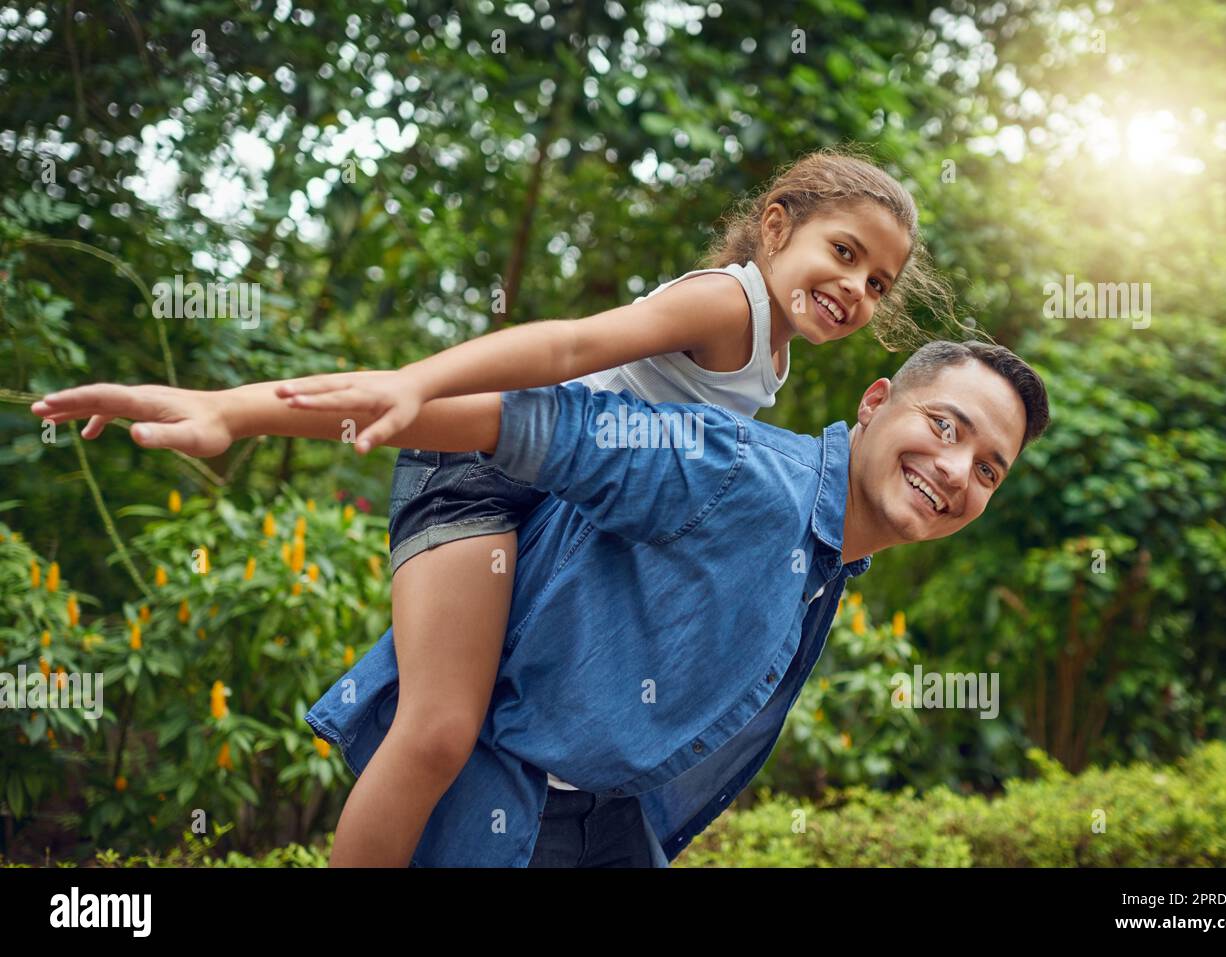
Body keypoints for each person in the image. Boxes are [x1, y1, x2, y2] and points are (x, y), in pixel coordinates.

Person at [31, 338, 1049, 867]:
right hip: (497, 818)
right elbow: (515, 419)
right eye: (946, 425)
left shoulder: (827, 553)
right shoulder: (739, 473)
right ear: (876, 403)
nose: (955, 469)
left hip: (604, 831)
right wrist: (233, 411)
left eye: (988, 468)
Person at [254, 145, 948, 866]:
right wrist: (416, 385)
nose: (855, 288)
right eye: (843, 251)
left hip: (553, 493)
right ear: (775, 227)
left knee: (483, 713)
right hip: (478, 469)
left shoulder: (773, 354)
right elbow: (570, 347)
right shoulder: (726, 303)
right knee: (438, 730)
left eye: (877, 282)